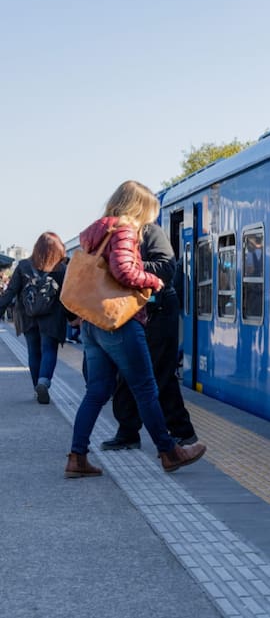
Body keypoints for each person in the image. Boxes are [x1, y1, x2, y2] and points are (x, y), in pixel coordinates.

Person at [65, 180, 206, 478]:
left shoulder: (96, 230)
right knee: (146, 388)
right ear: (138, 207)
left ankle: (77, 457)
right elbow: (124, 271)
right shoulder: (125, 229)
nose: (149, 219)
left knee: (97, 391)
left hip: (93, 321)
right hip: (119, 321)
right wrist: (154, 281)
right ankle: (169, 452)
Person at [100, 222, 198, 451]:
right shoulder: (112, 234)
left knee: (159, 372)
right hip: (130, 311)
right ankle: (129, 432)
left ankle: (181, 431)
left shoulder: (149, 232)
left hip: (158, 310)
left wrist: (127, 265)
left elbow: (167, 267)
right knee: (128, 372)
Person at [0, 232, 71, 404]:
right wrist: (73, 317)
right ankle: (43, 382)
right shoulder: (61, 269)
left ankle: (36, 388)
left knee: (33, 352)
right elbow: (67, 296)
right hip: (52, 318)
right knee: (49, 350)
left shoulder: (23, 266)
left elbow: (11, 292)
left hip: (28, 316)